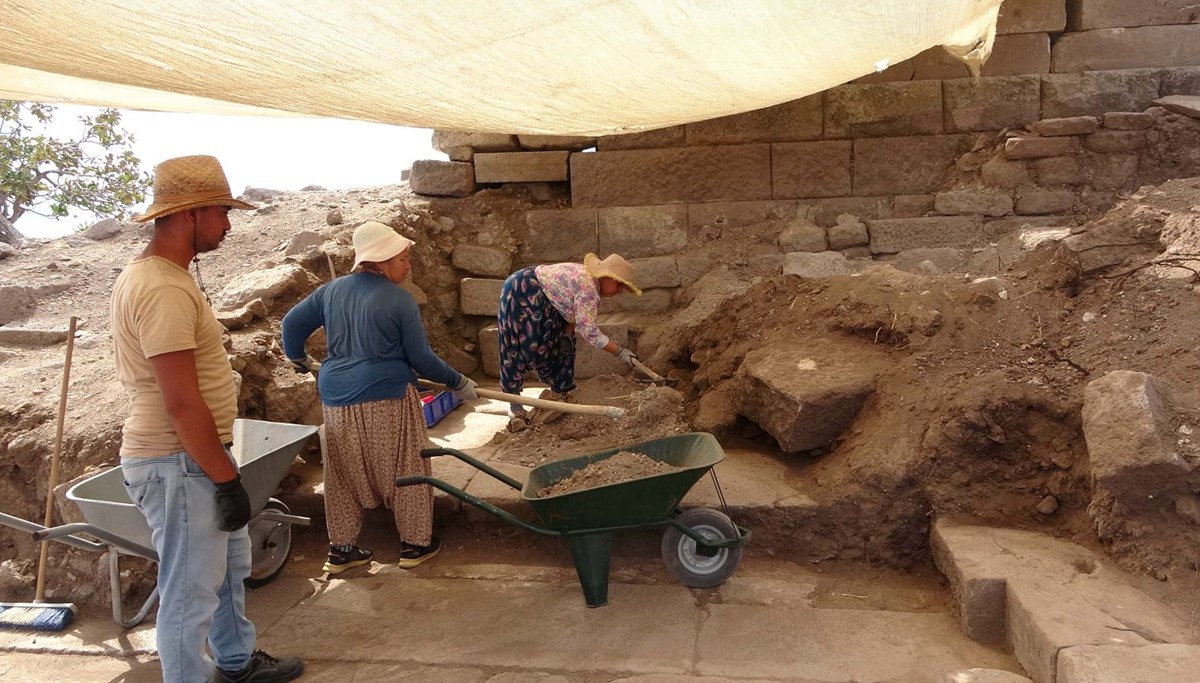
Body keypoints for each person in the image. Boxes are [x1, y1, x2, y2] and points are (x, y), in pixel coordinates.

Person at [111, 155, 304, 683]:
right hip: (179, 461)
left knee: (224, 574)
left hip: (193, 456)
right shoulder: (163, 288)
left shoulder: (160, 277)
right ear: (191, 213)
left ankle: (236, 661)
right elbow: (181, 402)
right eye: (221, 211)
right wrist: (223, 477)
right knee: (189, 594)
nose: (228, 224)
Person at [281, 221, 477, 574]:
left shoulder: (330, 292)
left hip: (335, 398)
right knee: (406, 466)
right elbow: (420, 359)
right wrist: (458, 381)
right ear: (382, 262)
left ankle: (342, 550)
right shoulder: (399, 300)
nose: (408, 265)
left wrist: (297, 358)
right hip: (386, 394)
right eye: (403, 259)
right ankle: (415, 544)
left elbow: (291, 325)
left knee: (341, 474)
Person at [497, 253, 641, 429]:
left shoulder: (589, 282)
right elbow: (589, 332)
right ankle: (514, 404)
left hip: (545, 299)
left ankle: (560, 393)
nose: (619, 290)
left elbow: (570, 310)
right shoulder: (589, 287)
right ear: (606, 276)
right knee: (521, 345)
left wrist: (566, 334)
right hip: (525, 290)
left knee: (564, 347)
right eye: (619, 284)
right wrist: (620, 352)